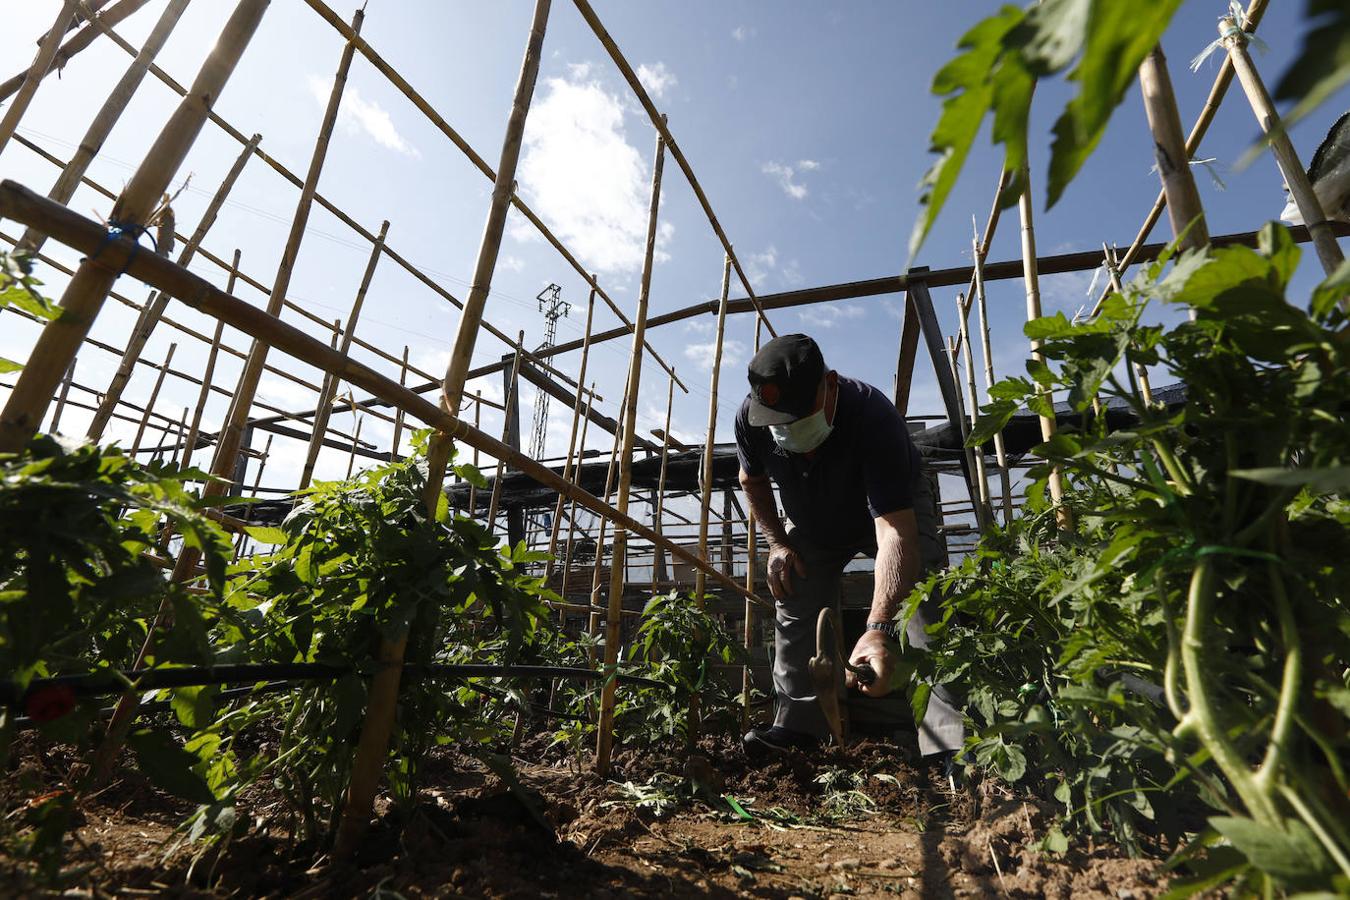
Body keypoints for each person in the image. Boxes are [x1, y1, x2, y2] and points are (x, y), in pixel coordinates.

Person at [733, 333, 964, 762]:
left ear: (831, 385)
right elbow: (752, 481)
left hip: (889, 511)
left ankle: (948, 741)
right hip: (813, 518)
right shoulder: (750, 419)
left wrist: (878, 629)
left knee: (923, 599)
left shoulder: (872, 416)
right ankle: (800, 729)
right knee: (794, 592)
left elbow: (895, 532)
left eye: (799, 416)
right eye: (777, 421)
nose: (787, 429)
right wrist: (778, 543)